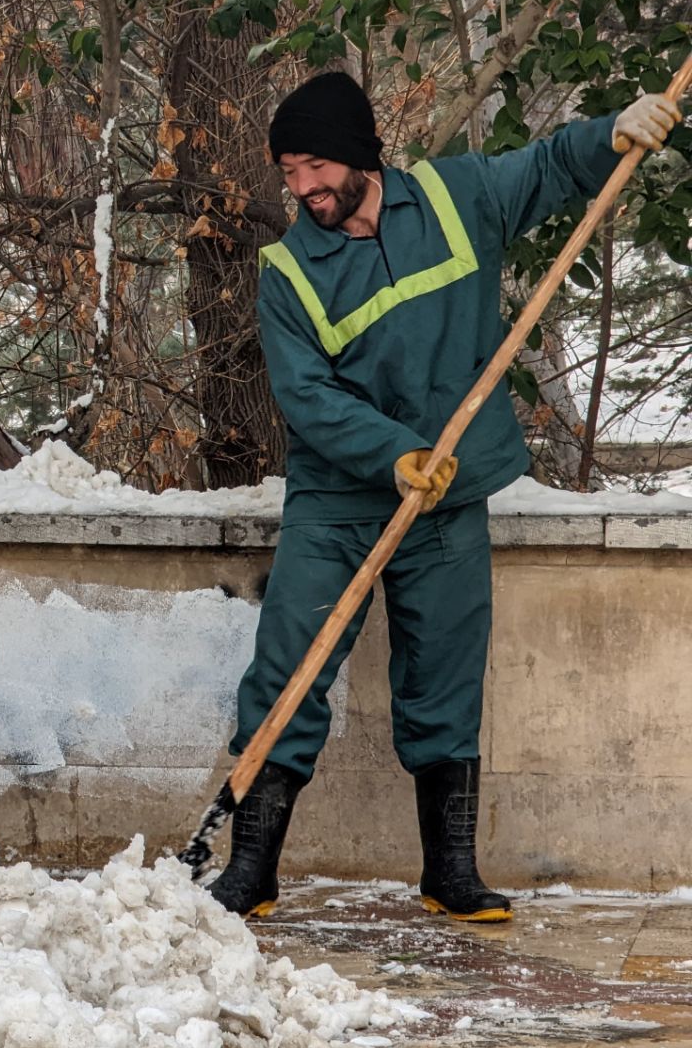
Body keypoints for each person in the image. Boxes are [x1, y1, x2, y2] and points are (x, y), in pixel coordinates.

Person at [209, 70, 682, 922]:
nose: (302, 188)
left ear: (357, 154)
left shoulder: (455, 198)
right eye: (289, 173)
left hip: (449, 495)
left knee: (445, 674)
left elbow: (545, 167)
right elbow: (307, 398)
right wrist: (395, 455)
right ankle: (251, 868)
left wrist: (615, 130)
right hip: (338, 501)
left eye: (314, 166)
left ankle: (449, 873)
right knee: (290, 668)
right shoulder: (287, 268)